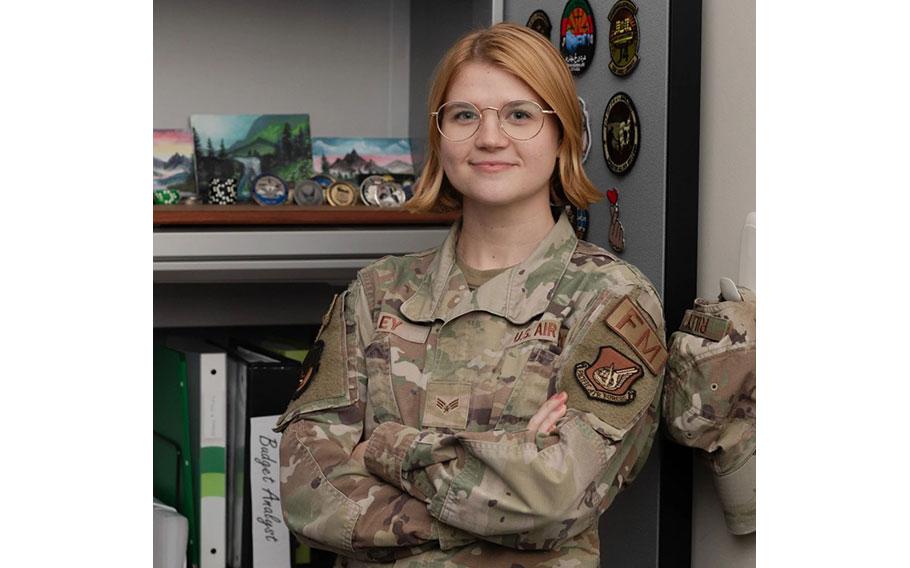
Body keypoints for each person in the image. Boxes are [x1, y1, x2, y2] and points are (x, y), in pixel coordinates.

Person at [275, 22, 668, 567]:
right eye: (464, 115)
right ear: (440, 137)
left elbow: (554, 499)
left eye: (520, 115)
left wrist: (381, 448)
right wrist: (493, 500)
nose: (489, 138)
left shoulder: (609, 299)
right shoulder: (375, 293)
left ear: (563, 137)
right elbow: (304, 489)